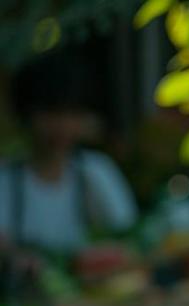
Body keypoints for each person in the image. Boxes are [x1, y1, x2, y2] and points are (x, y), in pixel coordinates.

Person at [0, 54, 138, 255]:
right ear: (27, 116)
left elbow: (129, 237)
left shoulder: (95, 171)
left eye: (72, 114)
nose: (63, 126)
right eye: (51, 114)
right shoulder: (6, 183)